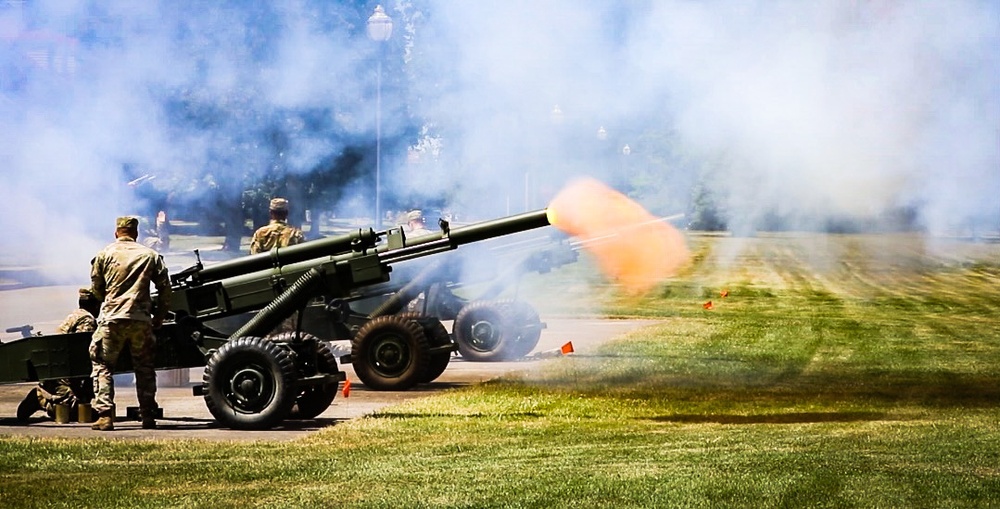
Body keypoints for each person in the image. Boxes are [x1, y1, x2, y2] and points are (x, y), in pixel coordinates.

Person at [89, 216, 171, 431]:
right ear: (136, 233)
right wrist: (160, 316)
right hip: (140, 320)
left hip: (112, 319)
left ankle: (105, 416)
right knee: (144, 368)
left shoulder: (104, 254)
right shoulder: (149, 255)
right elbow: (165, 289)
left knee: (103, 365)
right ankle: (147, 416)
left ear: (117, 232)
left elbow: (96, 289)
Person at [15, 288, 100, 422]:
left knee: (84, 407)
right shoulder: (87, 320)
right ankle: (40, 399)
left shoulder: (75, 315)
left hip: (59, 370)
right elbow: (83, 350)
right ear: (95, 305)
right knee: (78, 413)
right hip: (64, 374)